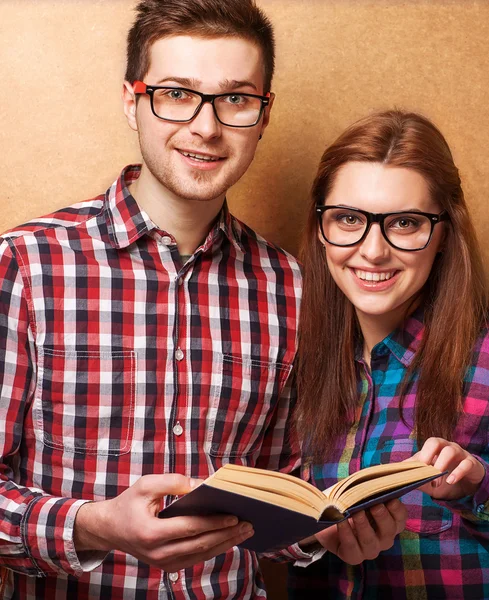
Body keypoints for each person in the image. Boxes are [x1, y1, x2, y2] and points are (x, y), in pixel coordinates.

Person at [0, 1, 405, 598]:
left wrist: (327, 533)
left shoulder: (291, 287)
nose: (207, 127)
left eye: (236, 99)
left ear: (264, 115)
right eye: (176, 93)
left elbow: (277, 494)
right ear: (131, 100)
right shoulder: (26, 265)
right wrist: (95, 526)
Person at [289, 109, 489, 598]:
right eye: (349, 219)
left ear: (443, 236)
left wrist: (483, 489)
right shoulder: (300, 364)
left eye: (405, 223)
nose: (372, 251)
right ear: (320, 227)